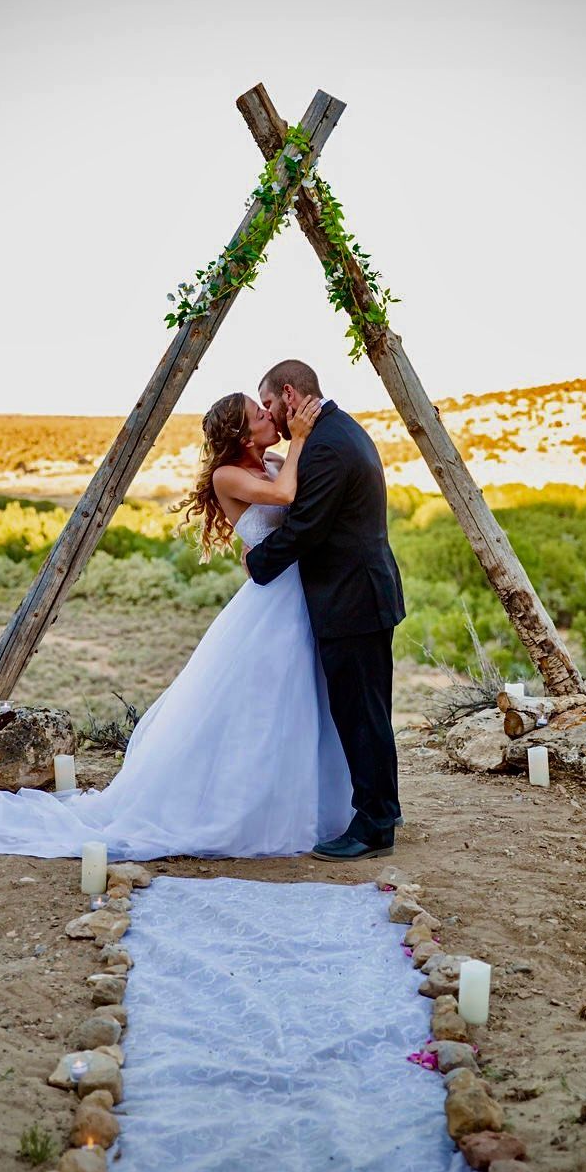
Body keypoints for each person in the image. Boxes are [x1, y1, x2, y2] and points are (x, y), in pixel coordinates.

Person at [0, 389, 356, 861]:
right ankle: (241, 810)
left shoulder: (274, 459)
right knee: (264, 700)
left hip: (301, 590)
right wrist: (300, 439)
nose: (268, 414)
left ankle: (313, 802)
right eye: (258, 413)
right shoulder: (228, 475)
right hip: (272, 600)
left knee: (301, 699)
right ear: (240, 432)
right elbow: (284, 496)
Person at [246, 360, 405, 862]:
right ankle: (386, 806)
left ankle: (375, 825)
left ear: (289, 396)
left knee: (360, 713)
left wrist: (258, 562)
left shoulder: (327, 446)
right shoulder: (338, 429)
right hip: (361, 592)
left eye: (269, 403)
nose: (269, 413)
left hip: (352, 597)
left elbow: (308, 527)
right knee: (369, 709)